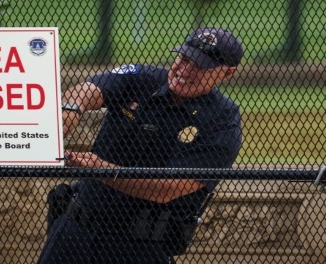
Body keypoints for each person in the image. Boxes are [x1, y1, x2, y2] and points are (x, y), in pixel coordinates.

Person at [38, 27, 245, 264]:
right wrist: (71, 107)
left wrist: (104, 171)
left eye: (200, 67)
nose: (185, 70)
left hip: (139, 248)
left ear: (227, 73)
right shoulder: (143, 79)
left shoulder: (222, 121)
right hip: (74, 234)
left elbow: (168, 189)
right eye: (184, 58)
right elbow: (92, 88)